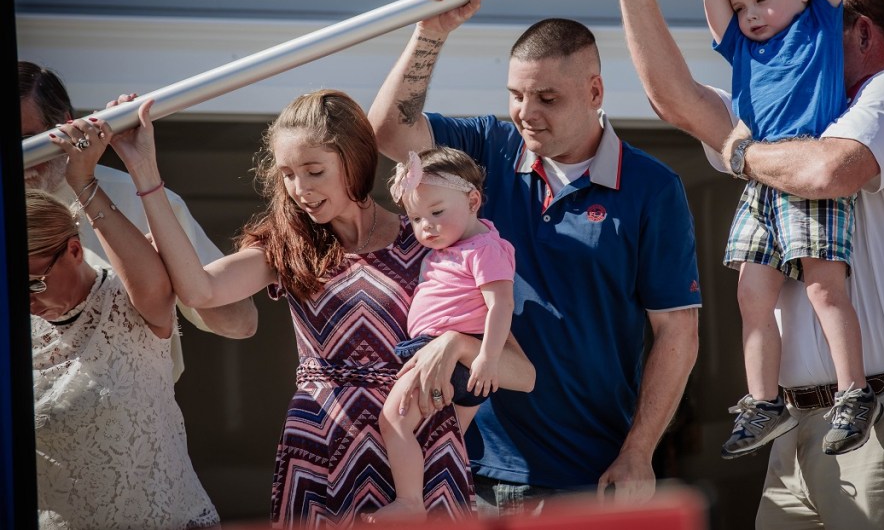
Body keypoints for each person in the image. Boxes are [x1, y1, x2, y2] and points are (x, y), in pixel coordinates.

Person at [600, 0, 884, 527]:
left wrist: (741, 148)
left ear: (860, 33)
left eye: (811, 33)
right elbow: (675, 98)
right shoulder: (777, 112)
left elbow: (829, 171)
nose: (778, 40)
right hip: (795, 422)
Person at [105, 89, 534, 526]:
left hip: (423, 459)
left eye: (314, 171)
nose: (300, 190)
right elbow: (200, 290)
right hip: (321, 452)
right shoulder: (289, 247)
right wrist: (143, 169)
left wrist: (458, 344)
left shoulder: (433, 241)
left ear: (355, 160)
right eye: (288, 174)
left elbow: (522, 374)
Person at [368, 0, 702, 514]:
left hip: (583, 476)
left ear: (595, 92)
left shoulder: (652, 187)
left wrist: (639, 451)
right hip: (462, 464)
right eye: (517, 95)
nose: (526, 111)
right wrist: (430, 32)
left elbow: (676, 332)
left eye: (547, 97)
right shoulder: (488, 150)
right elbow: (388, 133)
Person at [678, 0, 874, 459]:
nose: (751, 14)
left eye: (762, 0)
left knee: (822, 289)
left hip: (808, 171)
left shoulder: (819, 23)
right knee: (749, 296)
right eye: (744, 6)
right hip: (760, 178)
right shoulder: (739, 45)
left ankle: (854, 391)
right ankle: (764, 402)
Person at [29, 115, 218, 529]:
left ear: (75, 252)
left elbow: (229, 314)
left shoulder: (126, 303)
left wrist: (83, 178)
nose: (27, 301)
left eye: (34, 283)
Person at [20, 61, 257, 381]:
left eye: (28, 142)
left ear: (64, 127)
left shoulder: (137, 199)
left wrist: (174, 268)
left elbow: (240, 323)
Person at [371, 146, 527, 522]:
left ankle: (411, 503)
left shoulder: (484, 249)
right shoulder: (453, 250)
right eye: (416, 218)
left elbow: (501, 306)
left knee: (392, 422)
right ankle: (436, 503)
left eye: (437, 212)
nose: (426, 226)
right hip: (449, 356)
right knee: (440, 441)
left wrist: (487, 358)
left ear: (473, 200)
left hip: (453, 357)